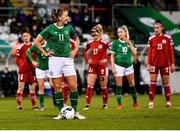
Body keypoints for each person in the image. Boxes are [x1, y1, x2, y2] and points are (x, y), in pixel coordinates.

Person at [34, 7, 85, 120]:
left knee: (73, 86)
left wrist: (75, 50)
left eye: (67, 15)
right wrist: (45, 53)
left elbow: (77, 40)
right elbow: (37, 41)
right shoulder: (49, 29)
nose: (68, 17)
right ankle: (61, 112)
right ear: (59, 17)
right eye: (66, 15)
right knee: (57, 87)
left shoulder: (69, 28)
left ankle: (75, 111)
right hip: (54, 60)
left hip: (67, 60)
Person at [147, 20, 175, 109]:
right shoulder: (151, 39)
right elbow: (150, 52)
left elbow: (171, 51)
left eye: (157, 27)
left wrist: (172, 63)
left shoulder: (168, 38)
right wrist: (148, 63)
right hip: (154, 64)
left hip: (165, 64)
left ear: (162, 28)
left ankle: (168, 102)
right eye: (154, 28)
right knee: (152, 83)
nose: (156, 29)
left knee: (166, 83)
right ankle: (151, 103)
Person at [110, 25, 140, 110]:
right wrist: (113, 67)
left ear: (125, 33)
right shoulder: (115, 43)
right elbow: (112, 56)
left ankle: (135, 102)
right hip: (118, 66)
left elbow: (134, 53)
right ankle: (119, 104)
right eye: (118, 32)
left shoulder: (131, 42)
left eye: (121, 32)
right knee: (119, 85)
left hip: (129, 66)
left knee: (132, 84)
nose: (119, 34)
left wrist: (129, 43)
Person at [83, 24, 110, 110]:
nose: (93, 34)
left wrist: (106, 59)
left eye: (95, 32)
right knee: (90, 85)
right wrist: (88, 60)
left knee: (103, 86)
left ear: (99, 33)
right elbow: (84, 51)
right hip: (92, 67)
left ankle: (105, 104)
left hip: (102, 67)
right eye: (92, 32)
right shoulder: (90, 43)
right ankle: (87, 104)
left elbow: (113, 51)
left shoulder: (105, 43)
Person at [26, 40, 55, 111]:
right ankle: (42, 106)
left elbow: (55, 52)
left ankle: (56, 103)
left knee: (53, 85)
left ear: (45, 39)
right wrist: (33, 61)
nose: (41, 41)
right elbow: (27, 51)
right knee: (41, 87)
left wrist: (53, 54)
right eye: (40, 40)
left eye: (42, 39)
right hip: (40, 69)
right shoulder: (36, 46)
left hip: (50, 67)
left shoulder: (49, 44)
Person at [14, 29, 38, 111]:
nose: (25, 37)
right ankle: (19, 106)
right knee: (21, 88)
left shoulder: (34, 46)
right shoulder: (20, 46)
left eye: (27, 36)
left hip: (32, 70)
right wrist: (21, 66)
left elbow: (36, 57)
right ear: (22, 37)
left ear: (30, 36)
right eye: (24, 36)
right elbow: (17, 59)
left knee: (32, 88)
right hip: (23, 70)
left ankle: (34, 106)